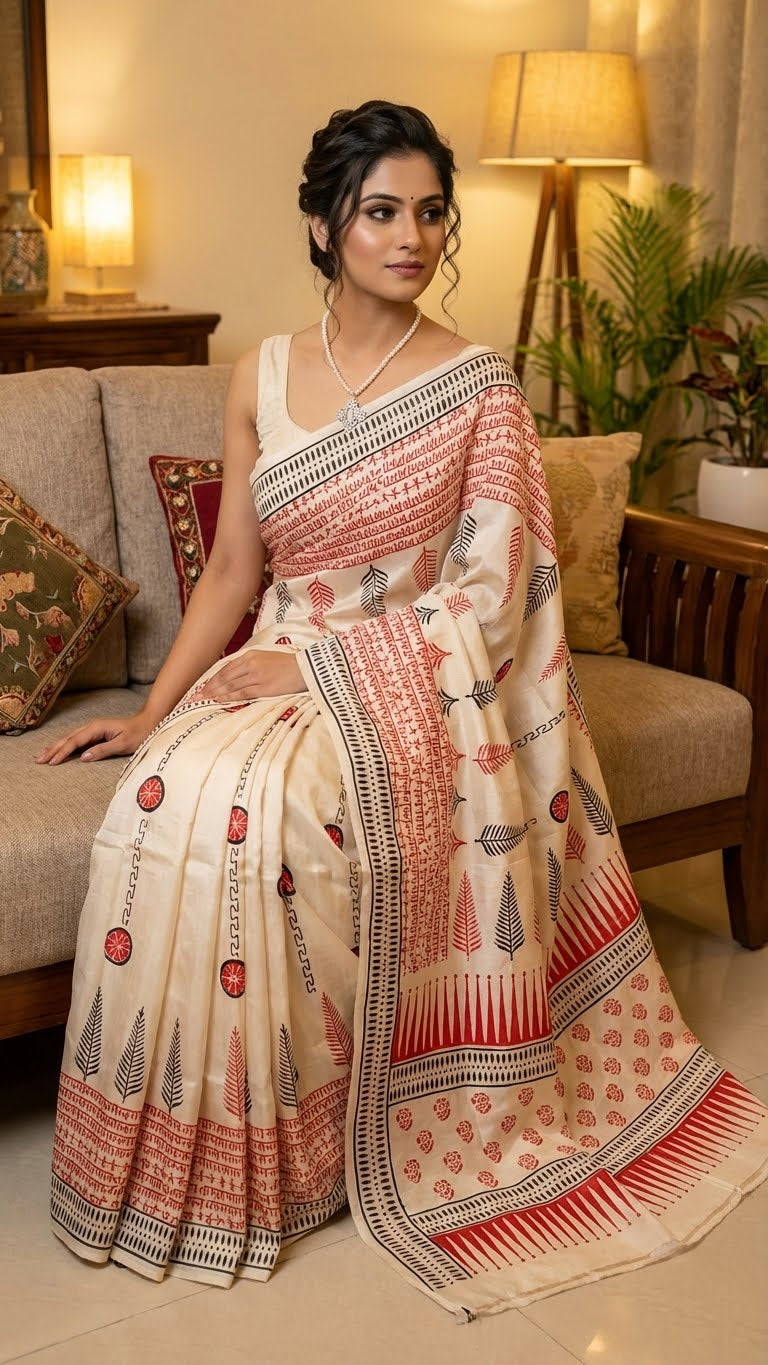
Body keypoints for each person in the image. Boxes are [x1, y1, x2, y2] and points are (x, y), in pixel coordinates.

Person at [42, 100, 767, 1319]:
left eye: (431, 212)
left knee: (259, 813)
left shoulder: (477, 385)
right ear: (326, 226)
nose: (412, 235)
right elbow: (232, 575)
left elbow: (490, 598)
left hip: (409, 684)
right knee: (167, 793)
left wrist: (330, 670)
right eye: (383, 211)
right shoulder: (260, 372)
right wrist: (151, 715)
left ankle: (313, 1152)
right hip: (275, 656)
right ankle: (195, 1162)